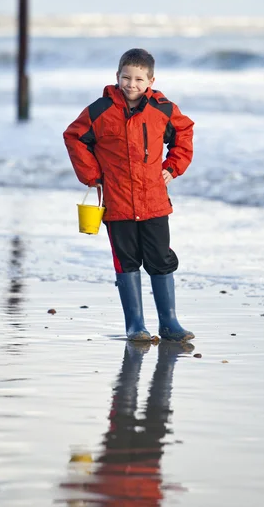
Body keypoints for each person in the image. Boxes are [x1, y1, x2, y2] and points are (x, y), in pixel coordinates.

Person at [63, 48, 194, 342]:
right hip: (117, 203)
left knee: (160, 259)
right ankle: (135, 325)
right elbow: (73, 136)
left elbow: (184, 133)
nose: (131, 84)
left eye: (138, 79)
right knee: (126, 260)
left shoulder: (163, 109)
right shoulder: (99, 111)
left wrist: (172, 168)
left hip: (155, 202)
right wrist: (93, 176)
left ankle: (169, 322)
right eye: (126, 77)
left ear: (150, 80)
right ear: (117, 76)